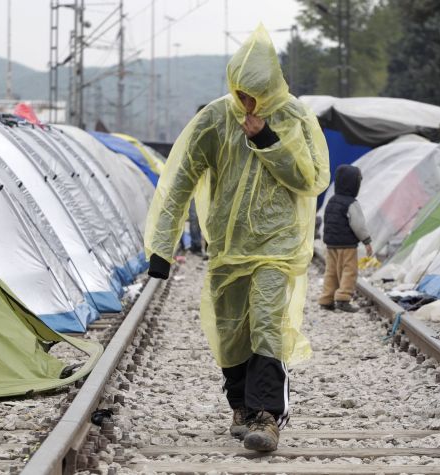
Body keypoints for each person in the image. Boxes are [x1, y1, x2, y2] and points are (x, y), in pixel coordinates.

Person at [144, 25, 329, 452]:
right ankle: (241, 408)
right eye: (241, 92)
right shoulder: (213, 119)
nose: (247, 102)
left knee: (266, 323)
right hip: (227, 246)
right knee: (231, 333)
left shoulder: (294, 117)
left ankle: (266, 416)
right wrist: (162, 245)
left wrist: (267, 139)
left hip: (276, 247)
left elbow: (311, 178)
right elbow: (179, 182)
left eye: (256, 94)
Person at [319, 165, 373, 313]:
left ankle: (326, 299)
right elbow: (358, 225)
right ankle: (343, 298)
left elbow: (327, 221)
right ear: (354, 184)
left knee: (331, 271)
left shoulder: (331, 201)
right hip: (347, 245)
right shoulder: (351, 203)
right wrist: (367, 241)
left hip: (331, 244)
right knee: (349, 271)